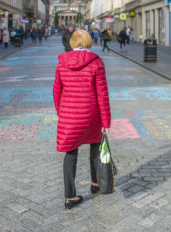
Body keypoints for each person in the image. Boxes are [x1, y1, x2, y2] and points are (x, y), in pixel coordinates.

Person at [53, 29, 111, 209]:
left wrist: (61, 112)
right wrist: (106, 121)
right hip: (91, 113)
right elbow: (102, 93)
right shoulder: (96, 63)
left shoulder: (61, 64)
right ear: (88, 42)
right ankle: (96, 183)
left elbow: (56, 91)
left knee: (70, 153)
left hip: (69, 114)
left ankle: (70, 196)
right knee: (95, 145)